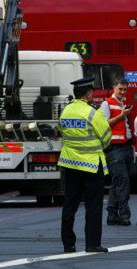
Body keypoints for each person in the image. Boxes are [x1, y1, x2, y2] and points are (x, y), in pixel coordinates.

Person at [58, 77, 111, 253]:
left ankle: (68, 244)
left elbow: (62, 132)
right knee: (93, 206)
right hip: (90, 166)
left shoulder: (65, 111)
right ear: (88, 94)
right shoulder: (92, 113)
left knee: (69, 204)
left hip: (70, 164)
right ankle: (92, 244)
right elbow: (106, 138)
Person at [100, 77, 134, 226]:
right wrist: (122, 115)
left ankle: (112, 215)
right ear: (114, 87)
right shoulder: (106, 103)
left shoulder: (123, 103)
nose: (122, 92)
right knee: (123, 182)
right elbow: (104, 124)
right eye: (120, 88)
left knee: (117, 182)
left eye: (125, 89)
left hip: (126, 146)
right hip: (114, 148)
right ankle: (124, 215)